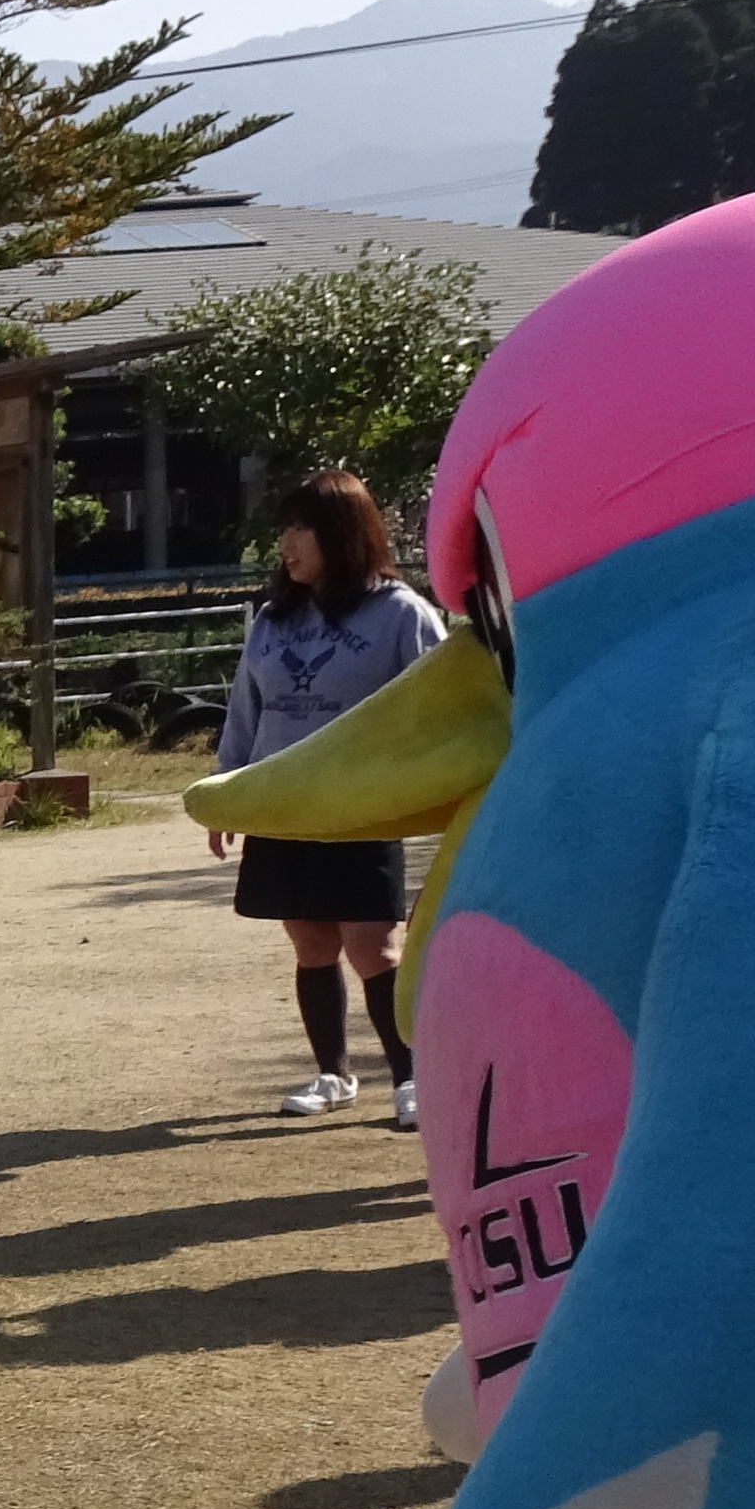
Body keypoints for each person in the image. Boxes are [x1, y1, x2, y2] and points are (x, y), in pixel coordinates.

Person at [211, 469, 444, 1123]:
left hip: (359, 805)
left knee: (373, 944)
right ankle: (333, 1075)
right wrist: (228, 789)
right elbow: (246, 709)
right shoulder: (274, 618)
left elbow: (443, 703)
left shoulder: (400, 612)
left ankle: (412, 1078)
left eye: (301, 528)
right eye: (284, 528)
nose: (286, 544)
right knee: (310, 943)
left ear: (342, 532)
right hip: (284, 804)